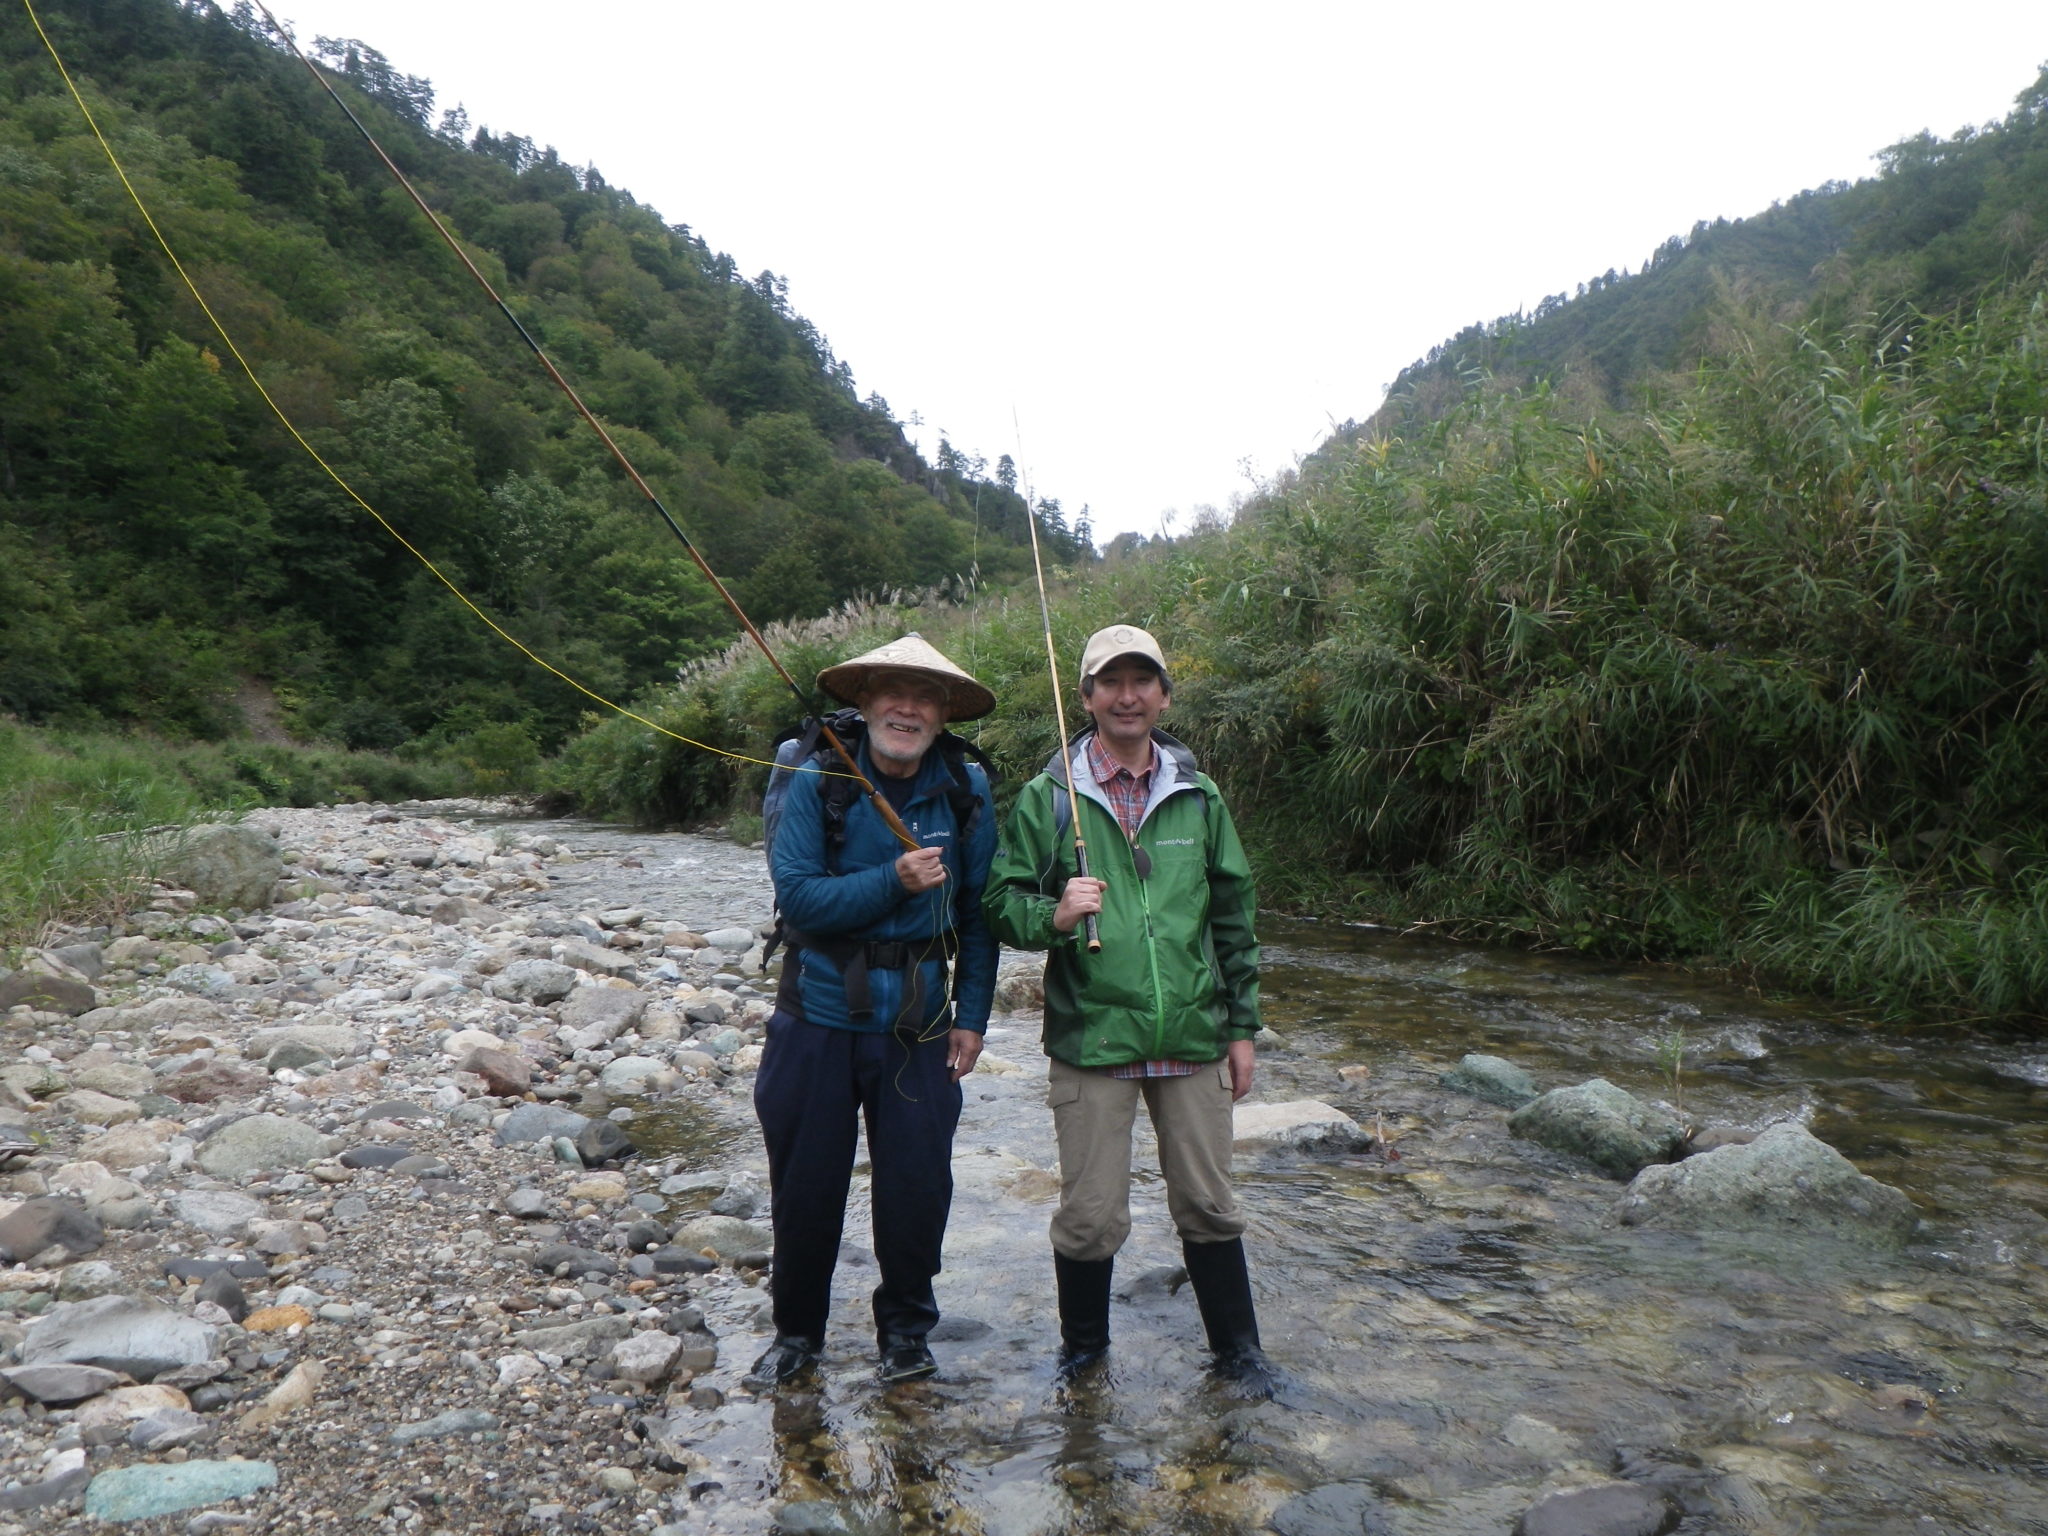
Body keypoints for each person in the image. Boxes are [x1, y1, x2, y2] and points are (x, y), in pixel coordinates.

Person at [984, 623, 1273, 1389]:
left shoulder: (1199, 795)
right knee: (1089, 1219)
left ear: (1164, 696)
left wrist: (1242, 1028)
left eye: (1142, 680)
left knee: (1211, 1207)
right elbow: (998, 902)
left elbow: (1233, 918)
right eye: (1110, 681)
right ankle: (1084, 1359)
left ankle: (1239, 1358)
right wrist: (1052, 914)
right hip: (1092, 1040)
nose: (1127, 695)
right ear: (1085, 699)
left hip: (1195, 1036)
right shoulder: (1048, 800)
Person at [745, 634, 999, 1389]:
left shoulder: (966, 787)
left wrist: (974, 1016)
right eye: (893, 689)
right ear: (863, 699)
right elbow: (798, 899)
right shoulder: (811, 771)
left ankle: (907, 1335)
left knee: (918, 1190)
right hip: (814, 1018)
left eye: (926, 696)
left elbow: (980, 916)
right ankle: (797, 1334)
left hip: (919, 1026)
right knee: (806, 1188)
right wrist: (894, 878)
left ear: (945, 711)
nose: (908, 707)